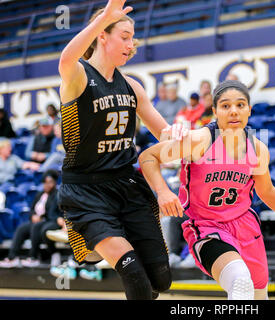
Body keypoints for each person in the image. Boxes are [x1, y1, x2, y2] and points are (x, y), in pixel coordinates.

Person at [56, 0, 187, 300]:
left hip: (126, 186)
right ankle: (87, 234)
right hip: (87, 192)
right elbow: (65, 58)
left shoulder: (133, 87)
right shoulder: (78, 76)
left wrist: (176, 133)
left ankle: (105, 237)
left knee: (161, 280)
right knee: (135, 278)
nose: (131, 45)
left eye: (132, 38)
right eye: (124, 36)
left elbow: (163, 133)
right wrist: (103, 18)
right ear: (102, 35)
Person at [140, 80, 275, 300]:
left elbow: (267, 191)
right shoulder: (200, 140)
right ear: (215, 111)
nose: (234, 111)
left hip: (246, 227)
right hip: (207, 228)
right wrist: (163, 192)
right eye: (226, 106)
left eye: (240, 105)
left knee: (258, 297)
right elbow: (148, 156)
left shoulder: (257, 148)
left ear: (249, 109)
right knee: (240, 282)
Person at [0, 170, 63, 268]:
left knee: (36, 227)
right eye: (45, 182)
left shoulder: (57, 195)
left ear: (55, 183)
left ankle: (33, 257)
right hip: (38, 221)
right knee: (22, 228)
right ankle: (12, 257)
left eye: (50, 182)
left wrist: (41, 217)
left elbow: (52, 213)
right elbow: (32, 209)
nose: (47, 185)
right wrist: (33, 215)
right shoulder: (40, 194)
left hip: (50, 221)